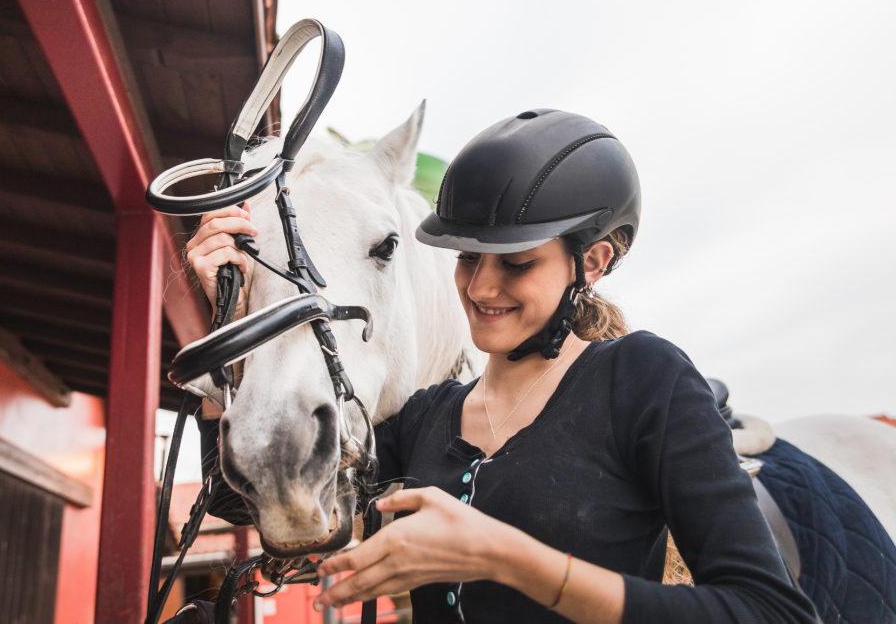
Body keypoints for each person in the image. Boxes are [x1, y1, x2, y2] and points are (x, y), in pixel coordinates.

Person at [184, 109, 818, 623]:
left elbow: (768, 610)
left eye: (516, 263)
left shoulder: (642, 378)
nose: (480, 289)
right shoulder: (427, 419)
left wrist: (504, 555)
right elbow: (247, 500)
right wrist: (231, 315)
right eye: (466, 258)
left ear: (590, 263)